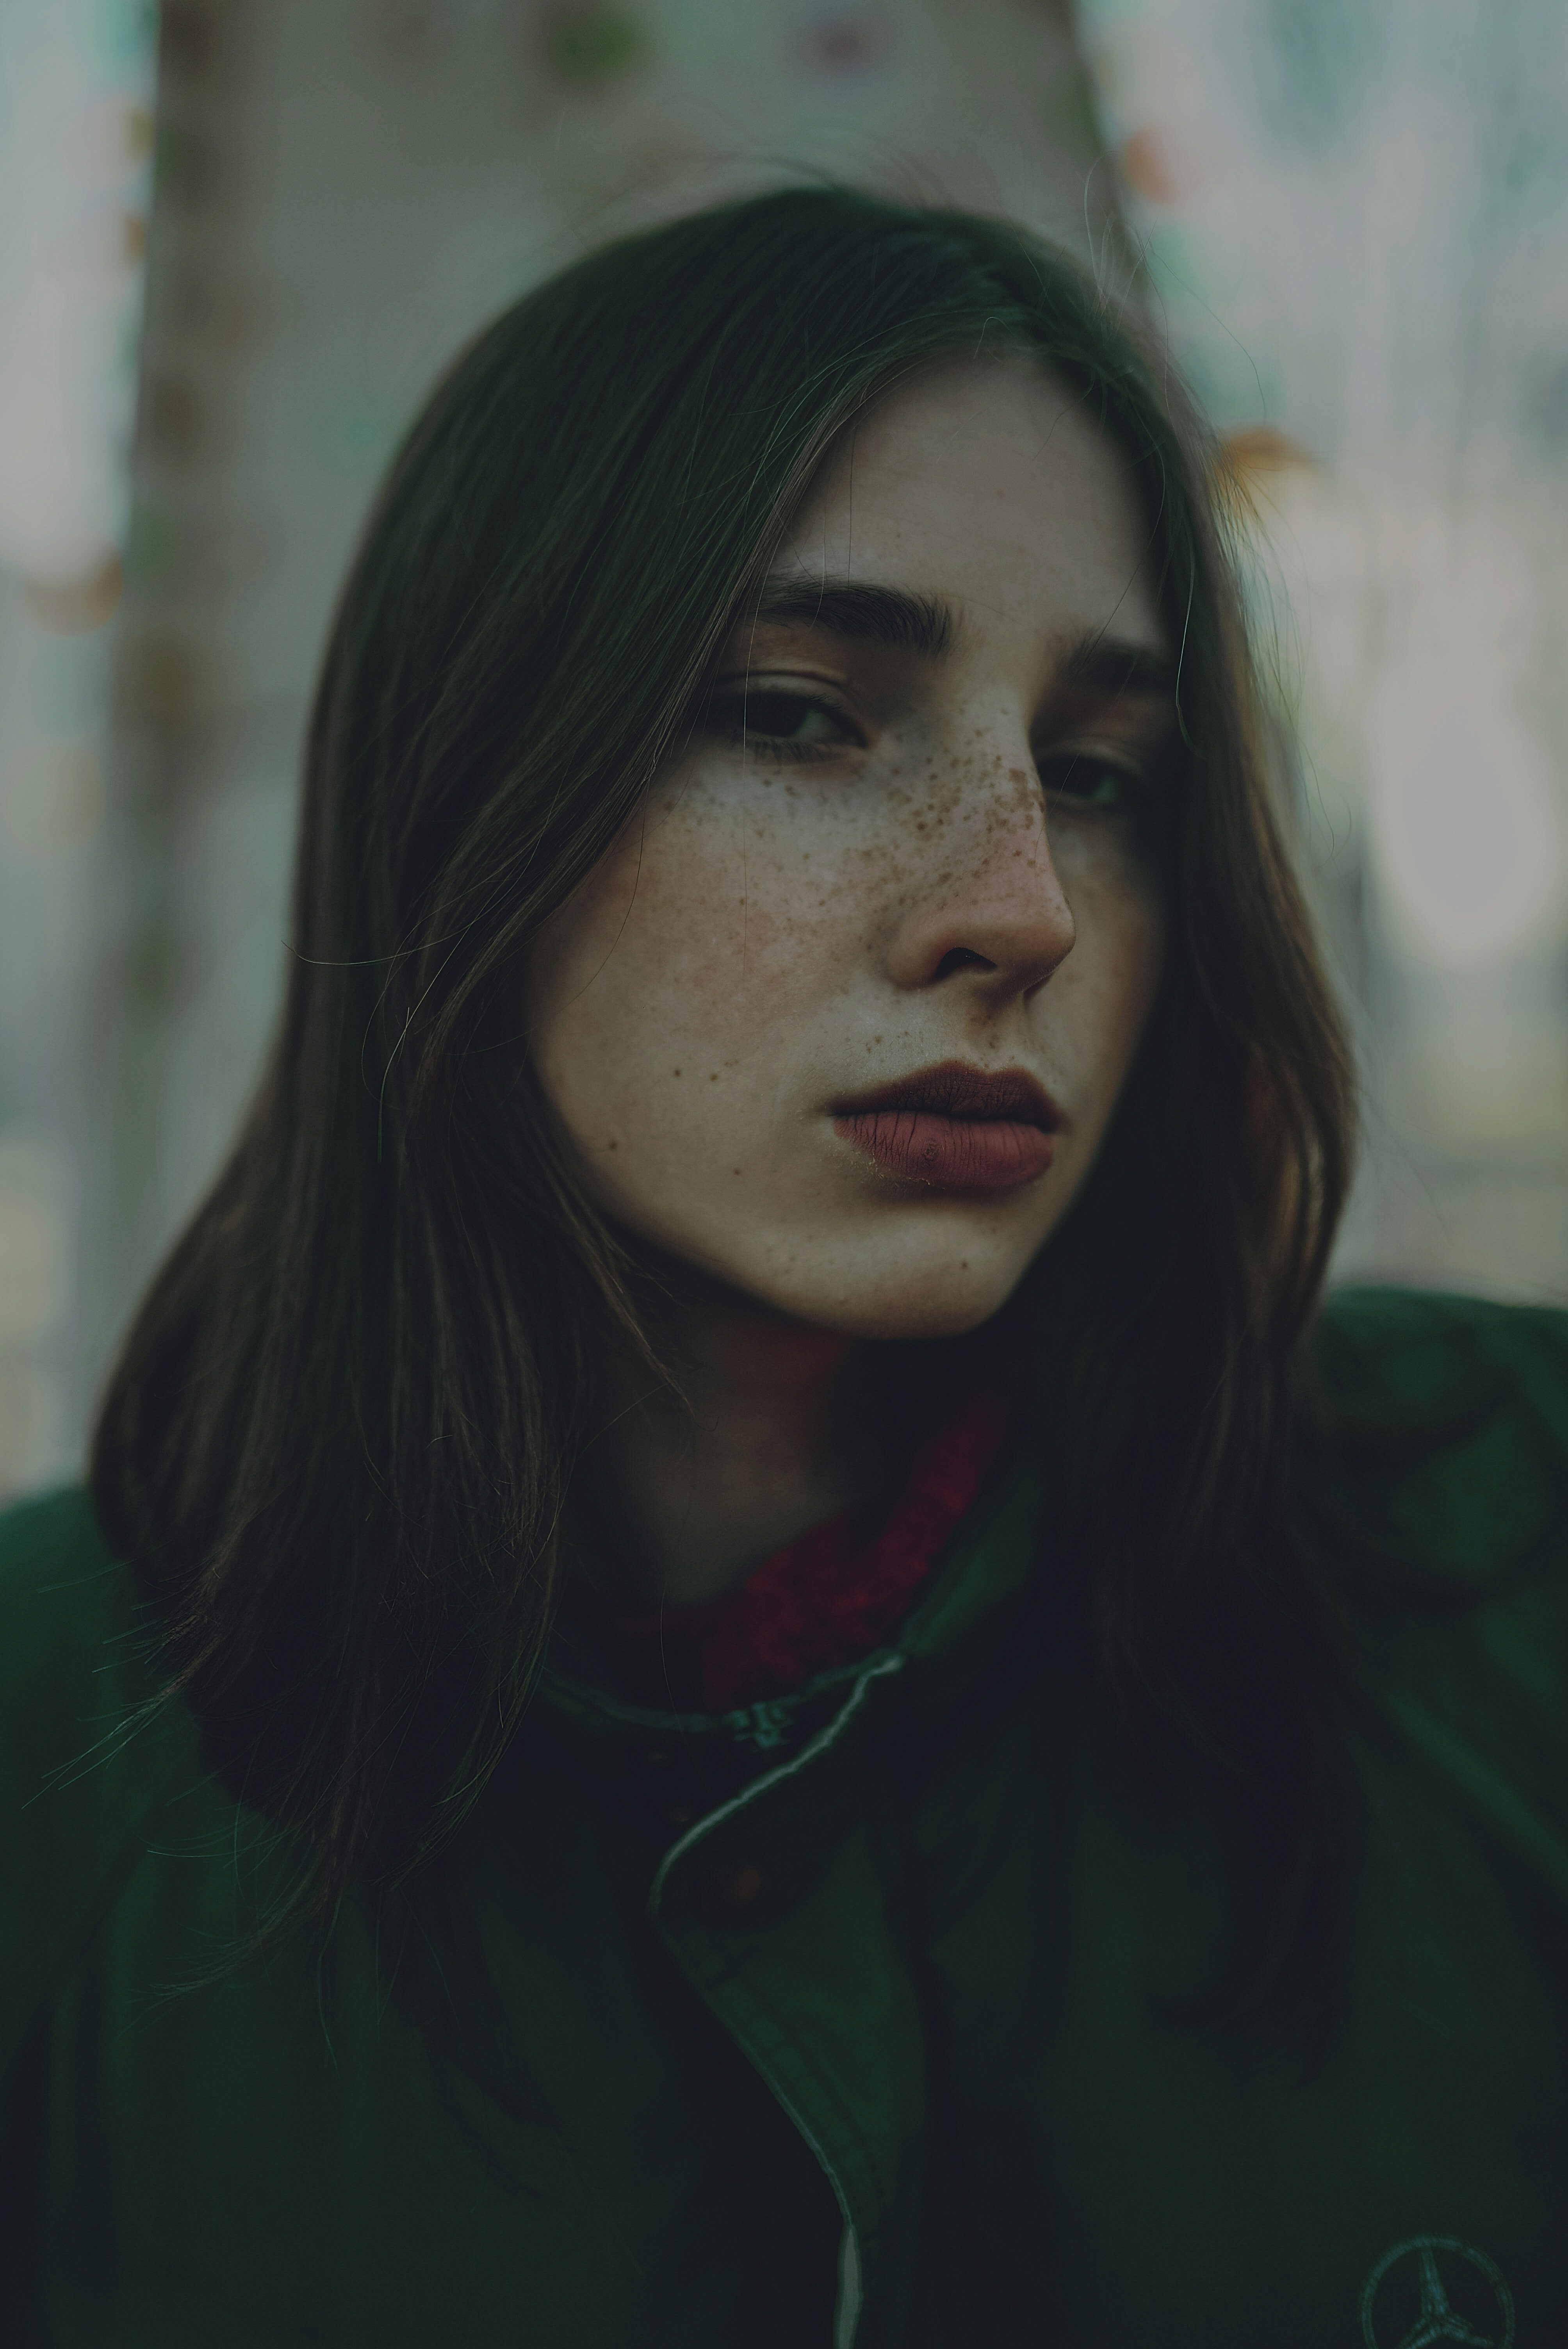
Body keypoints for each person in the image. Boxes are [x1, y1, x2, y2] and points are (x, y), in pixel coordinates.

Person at [2, 183, 1563, 2349]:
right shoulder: (48, 1767)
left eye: (1103, 775)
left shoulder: (1517, 1547)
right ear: (468, 796)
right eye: (805, 715)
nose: (1020, 907)